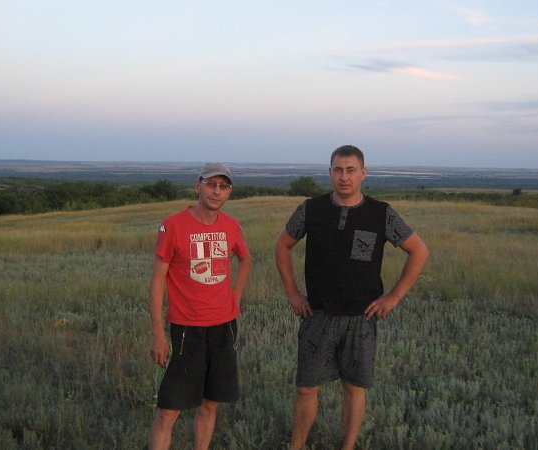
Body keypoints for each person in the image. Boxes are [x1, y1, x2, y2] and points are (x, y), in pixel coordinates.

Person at [275, 145, 429, 450]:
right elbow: (282, 245)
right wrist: (292, 293)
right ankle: (297, 446)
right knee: (306, 388)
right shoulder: (312, 209)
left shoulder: (381, 213)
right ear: (329, 172)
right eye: (338, 170)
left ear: (363, 173)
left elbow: (419, 251)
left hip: (361, 317)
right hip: (318, 314)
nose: (344, 177)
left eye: (350, 170)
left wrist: (394, 297)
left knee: (354, 389)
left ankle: (347, 447)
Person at [147, 162, 252, 450]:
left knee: (210, 404)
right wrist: (158, 333)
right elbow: (157, 281)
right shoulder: (173, 225)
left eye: (223, 186)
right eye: (211, 184)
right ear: (198, 186)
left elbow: (245, 259)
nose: (217, 191)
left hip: (223, 327)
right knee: (168, 410)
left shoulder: (231, 226)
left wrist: (235, 297)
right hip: (186, 330)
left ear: (229, 192)